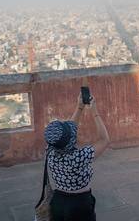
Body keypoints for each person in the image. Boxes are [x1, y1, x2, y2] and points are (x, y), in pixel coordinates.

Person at [43, 91, 110, 221]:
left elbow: (68, 132)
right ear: (71, 140)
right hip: (79, 204)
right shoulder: (79, 156)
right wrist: (95, 112)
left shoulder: (50, 150)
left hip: (58, 202)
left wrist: (79, 107)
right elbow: (104, 140)